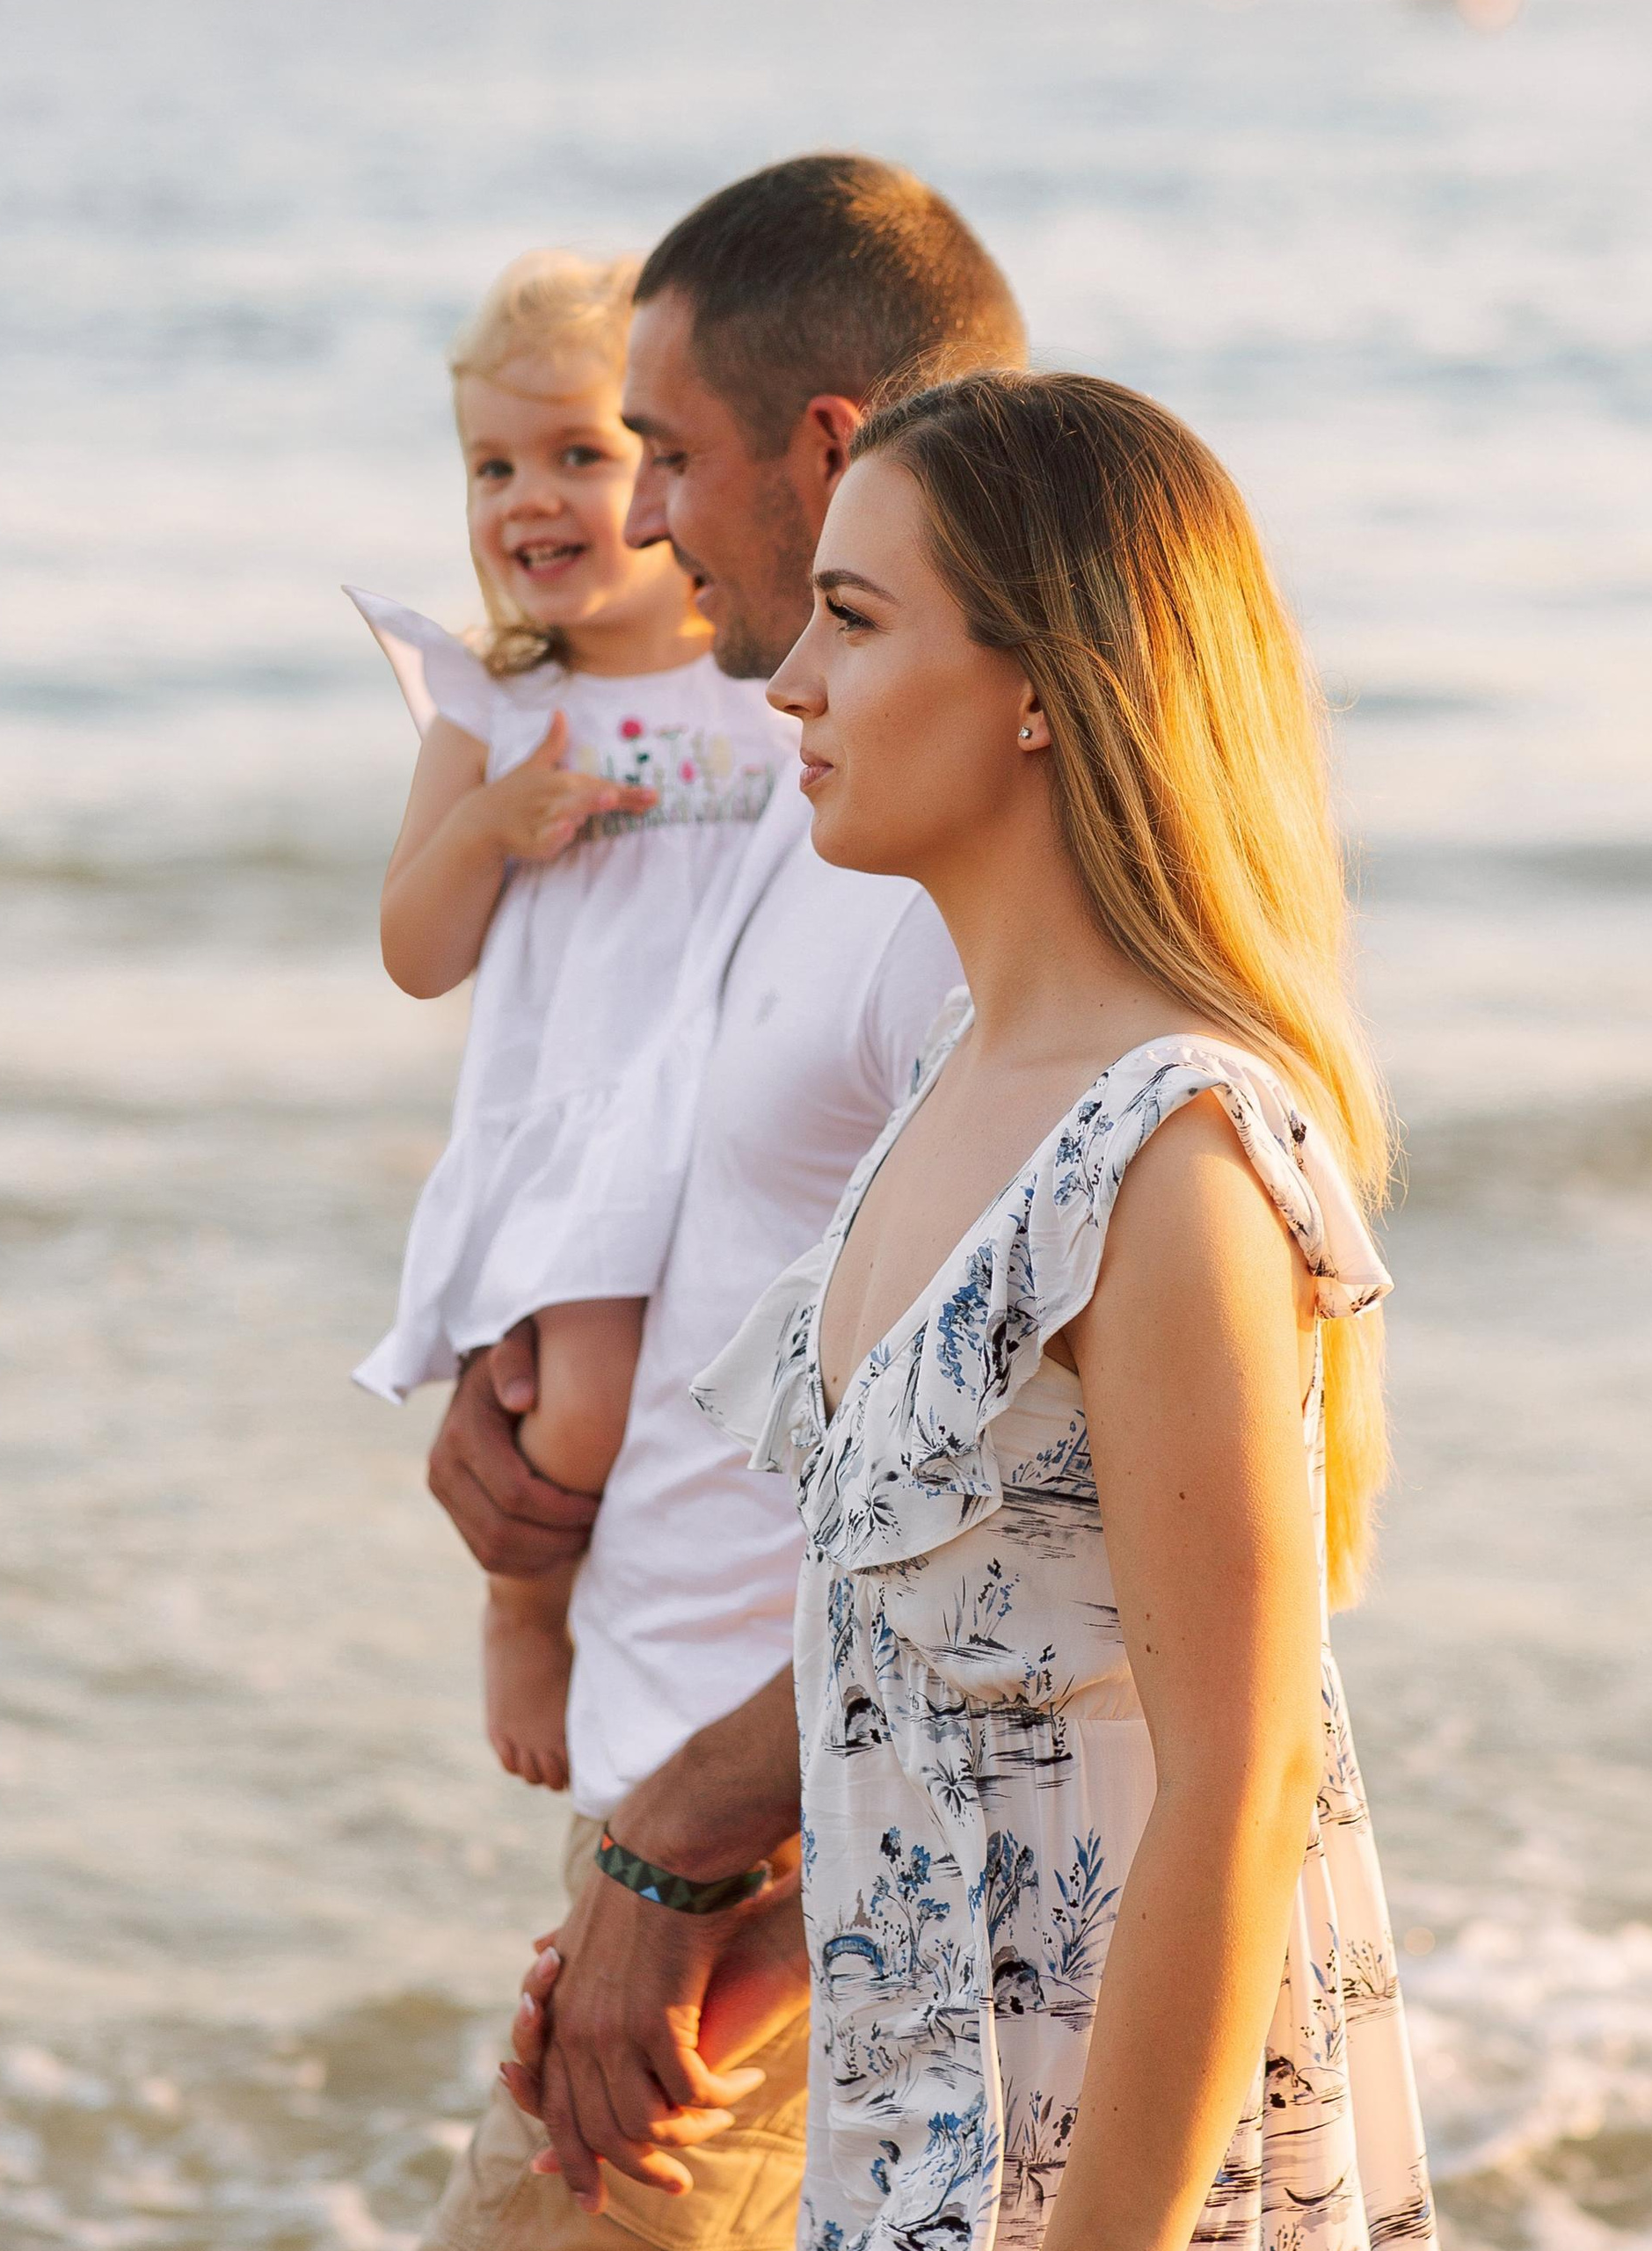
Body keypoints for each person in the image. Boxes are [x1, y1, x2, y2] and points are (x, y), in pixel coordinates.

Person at [694, 371, 1441, 2246]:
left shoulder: (1167, 1156)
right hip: (901, 2164)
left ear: (1041, 685)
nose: (787, 679)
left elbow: (1238, 1780)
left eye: (852, 622)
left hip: (1098, 2191)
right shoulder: (952, 1084)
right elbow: (939, 1716)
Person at [415, 157, 1025, 2251]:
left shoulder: (964, 885)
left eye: (663, 450)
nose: (645, 513)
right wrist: (527, 1428)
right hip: (698, 1814)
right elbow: (710, 1206)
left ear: (829, 449)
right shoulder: (805, 788)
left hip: (775, 1876)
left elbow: (1050, 1495)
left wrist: (694, 1853)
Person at [352, 250, 799, 1791]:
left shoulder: (761, 683)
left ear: (672, 472)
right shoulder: (495, 706)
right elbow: (416, 951)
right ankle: (522, 1607)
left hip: (733, 1119)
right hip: (583, 1137)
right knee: (588, 1413)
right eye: (492, 464)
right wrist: (492, 828)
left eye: (582, 456)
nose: (525, 497)